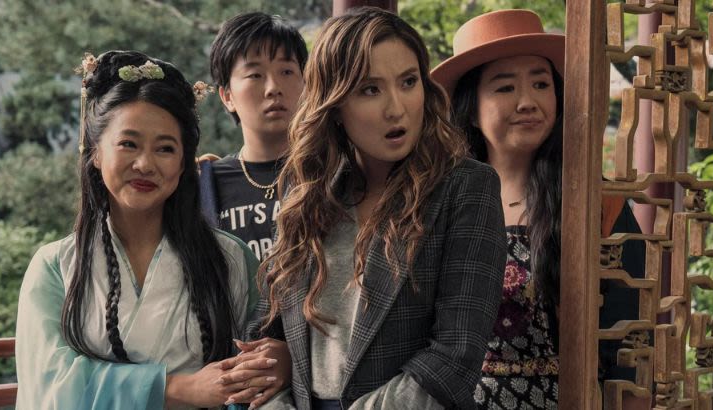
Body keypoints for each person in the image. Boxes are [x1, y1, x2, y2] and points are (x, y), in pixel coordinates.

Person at [248, 7, 506, 410]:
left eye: (408, 82)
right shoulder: (306, 192)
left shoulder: (466, 187)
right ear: (334, 104)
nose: (396, 108)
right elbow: (267, 334)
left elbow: (454, 357)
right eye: (370, 89)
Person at [15, 50, 281, 409]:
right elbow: (49, 383)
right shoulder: (55, 266)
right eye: (129, 144)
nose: (144, 164)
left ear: (184, 162)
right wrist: (178, 388)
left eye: (165, 148)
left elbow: (258, 375)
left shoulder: (230, 258)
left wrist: (279, 364)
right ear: (95, 152)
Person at [431, 9, 646, 409]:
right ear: (471, 109)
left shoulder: (600, 204)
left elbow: (631, 341)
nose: (528, 102)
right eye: (505, 87)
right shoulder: (439, 205)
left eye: (541, 83)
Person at [200, 12, 308, 261]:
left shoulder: (330, 174)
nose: (273, 88)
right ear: (227, 97)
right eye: (255, 75)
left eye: (287, 72)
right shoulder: (206, 185)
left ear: (306, 84)